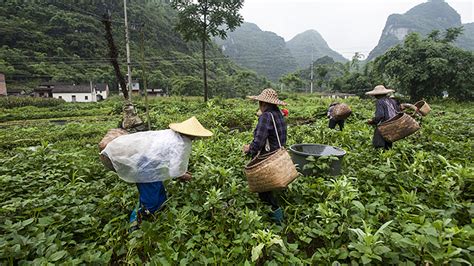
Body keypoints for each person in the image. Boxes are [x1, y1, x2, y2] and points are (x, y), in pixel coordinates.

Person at [101, 116, 213, 230]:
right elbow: (174, 170)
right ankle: (134, 225)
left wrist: (181, 172)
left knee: (159, 193)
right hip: (145, 166)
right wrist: (184, 175)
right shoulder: (181, 143)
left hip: (147, 162)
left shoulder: (170, 134)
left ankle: (156, 215)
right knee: (151, 201)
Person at [243, 88, 288, 224]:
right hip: (278, 155)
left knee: (264, 190)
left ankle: (278, 222)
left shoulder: (266, 117)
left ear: (262, 103)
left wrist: (249, 149)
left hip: (267, 157)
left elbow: (259, 141)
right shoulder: (279, 114)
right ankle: (275, 216)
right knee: (270, 187)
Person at [366, 85, 401, 150]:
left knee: (378, 144)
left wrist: (373, 121)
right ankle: (388, 157)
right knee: (388, 144)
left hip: (385, 125)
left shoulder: (379, 102)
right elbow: (398, 112)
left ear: (377, 95)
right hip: (394, 124)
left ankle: (380, 158)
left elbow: (380, 115)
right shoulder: (392, 101)